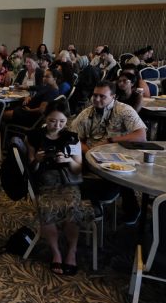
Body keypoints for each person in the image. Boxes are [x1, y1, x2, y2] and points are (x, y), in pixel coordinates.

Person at [26, 100, 92, 276]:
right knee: (47, 209)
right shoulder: (34, 136)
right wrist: (37, 160)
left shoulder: (71, 137)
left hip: (68, 182)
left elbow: (78, 168)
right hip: (45, 183)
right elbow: (30, 168)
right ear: (45, 118)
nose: (57, 125)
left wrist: (68, 160)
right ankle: (56, 252)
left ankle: (71, 250)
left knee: (72, 209)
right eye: (53, 121)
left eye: (62, 122)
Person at [71, 81, 147, 225]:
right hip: (92, 155)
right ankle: (91, 197)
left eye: (102, 96)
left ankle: (131, 209)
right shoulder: (86, 113)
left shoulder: (124, 110)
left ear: (113, 96)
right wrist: (89, 152)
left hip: (119, 155)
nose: (97, 99)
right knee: (68, 166)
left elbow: (141, 135)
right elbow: (74, 139)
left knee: (123, 172)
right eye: (94, 95)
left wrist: (111, 140)